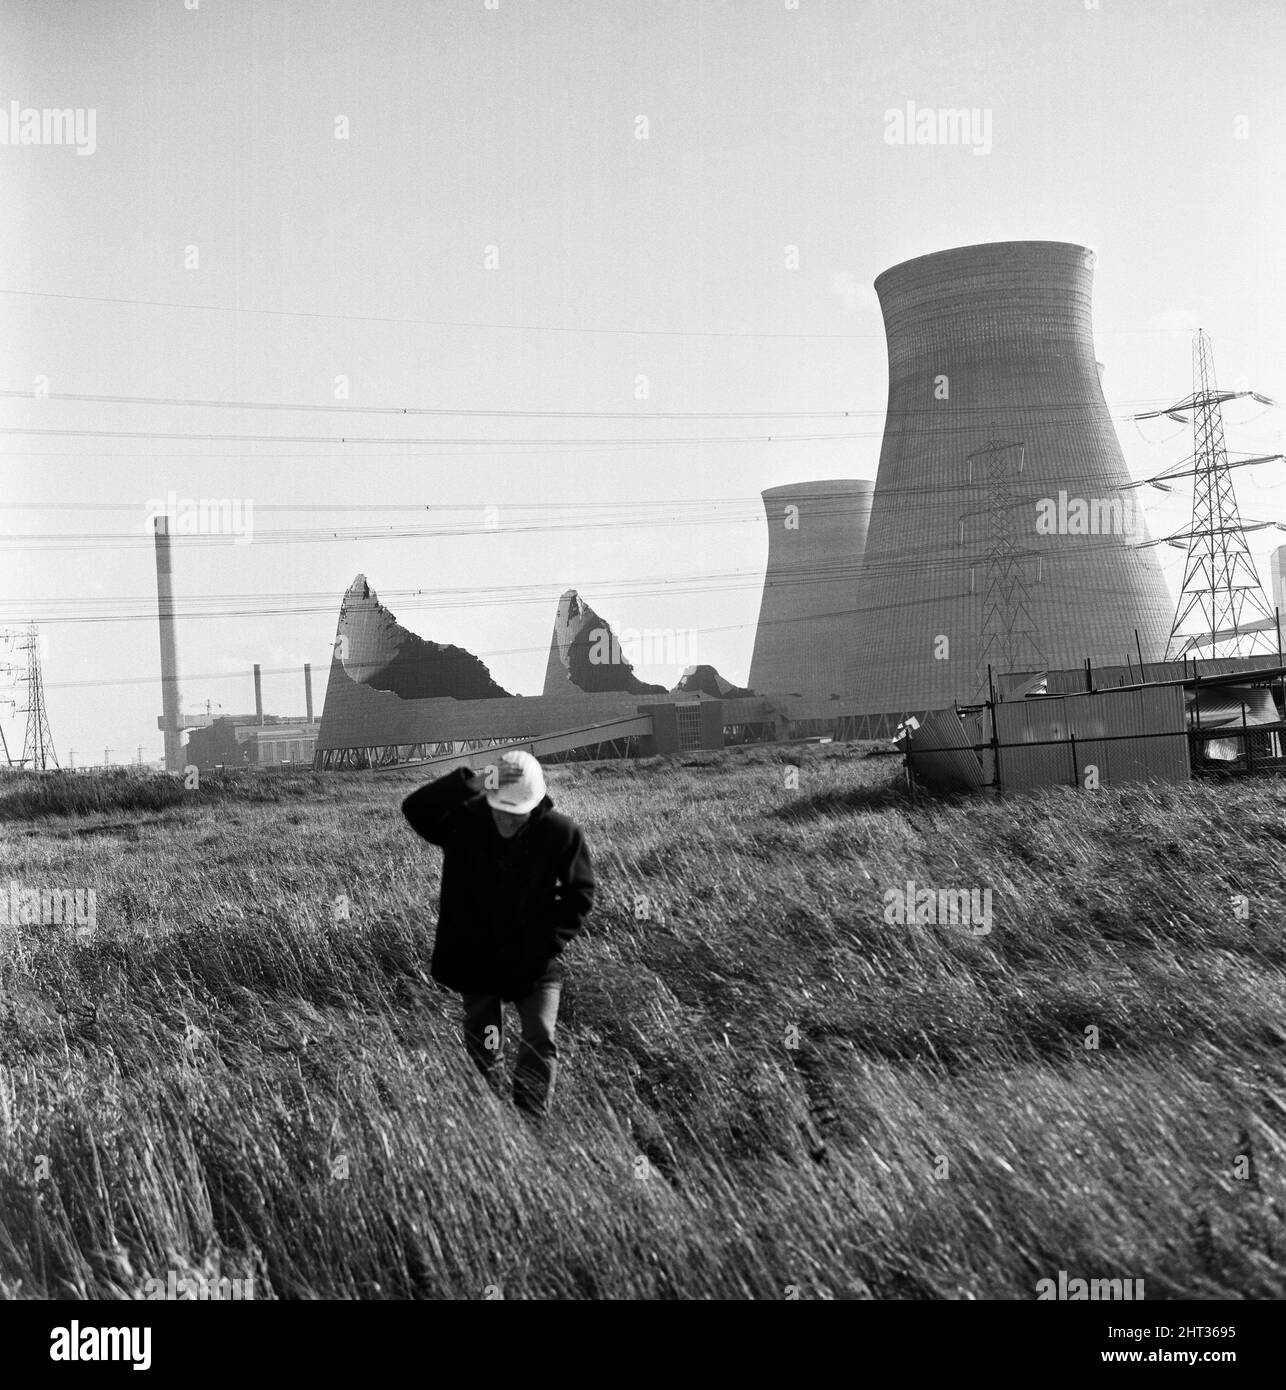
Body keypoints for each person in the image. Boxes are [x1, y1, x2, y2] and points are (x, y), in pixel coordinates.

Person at [401, 750, 594, 1117]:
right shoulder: (465, 824)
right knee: (485, 1038)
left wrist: (545, 942)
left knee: (539, 1036)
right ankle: (489, 1112)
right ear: (488, 796)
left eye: (516, 813)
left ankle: (531, 1117)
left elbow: (580, 894)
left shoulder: (560, 833)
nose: (506, 819)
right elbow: (416, 809)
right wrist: (468, 782)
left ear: (534, 806)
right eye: (500, 810)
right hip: (478, 958)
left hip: (534, 960)